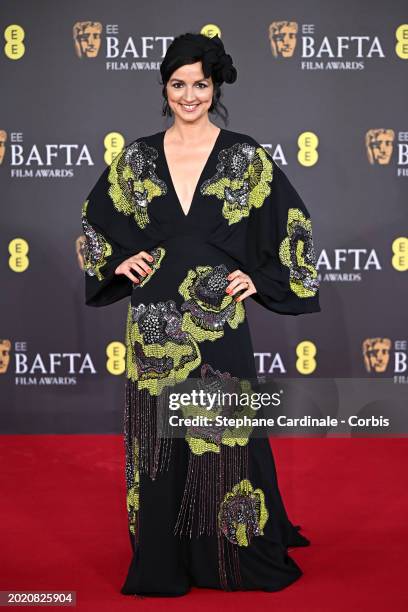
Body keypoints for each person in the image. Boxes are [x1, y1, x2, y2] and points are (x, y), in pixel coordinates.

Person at [81, 31, 321, 597]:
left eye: (201, 84)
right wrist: (120, 260)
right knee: (160, 443)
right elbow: (95, 225)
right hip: (155, 322)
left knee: (224, 439)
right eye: (178, 84)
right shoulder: (137, 156)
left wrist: (257, 280)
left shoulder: (244, 155)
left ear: (216, 87)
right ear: (164, 88)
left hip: (219, 323)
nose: (190, 95)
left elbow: (294, 228)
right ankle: (164, 562)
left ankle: (226, 559)